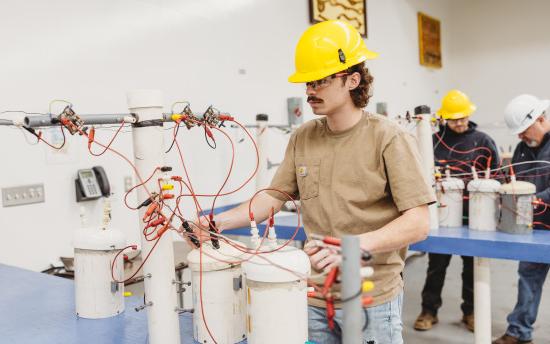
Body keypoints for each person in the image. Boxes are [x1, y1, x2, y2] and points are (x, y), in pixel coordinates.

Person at [193, 20, 435, 343]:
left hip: (370, 296)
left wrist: (354, 248)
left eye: (319, 81)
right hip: (312, 291)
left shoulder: (389, 138)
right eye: (306, 83)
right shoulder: (303, 137)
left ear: (352, 80)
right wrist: (215, 222)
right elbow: (271, 198)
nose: (309, 91)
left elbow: (418, 223)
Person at [414, 90, 500, 332]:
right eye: (454, 119)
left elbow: (496, 176)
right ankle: (428, 311)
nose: (459, 123)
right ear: (444, 118)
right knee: (436, 265)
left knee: (473, 267)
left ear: (469, 114)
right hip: (442, 216)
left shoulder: (483, 141)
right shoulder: (433, 142)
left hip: (474, 215)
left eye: (463, 118)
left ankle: (471, 312)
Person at [493, 94, 550, 344]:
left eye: (524, 130)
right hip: (535, 227)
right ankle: (518, 331)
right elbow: (517, 180)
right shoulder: (523, 149)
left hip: (540, 213)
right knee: (528, 279)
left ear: (540, 119)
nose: (520, 137)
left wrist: (538, 198)